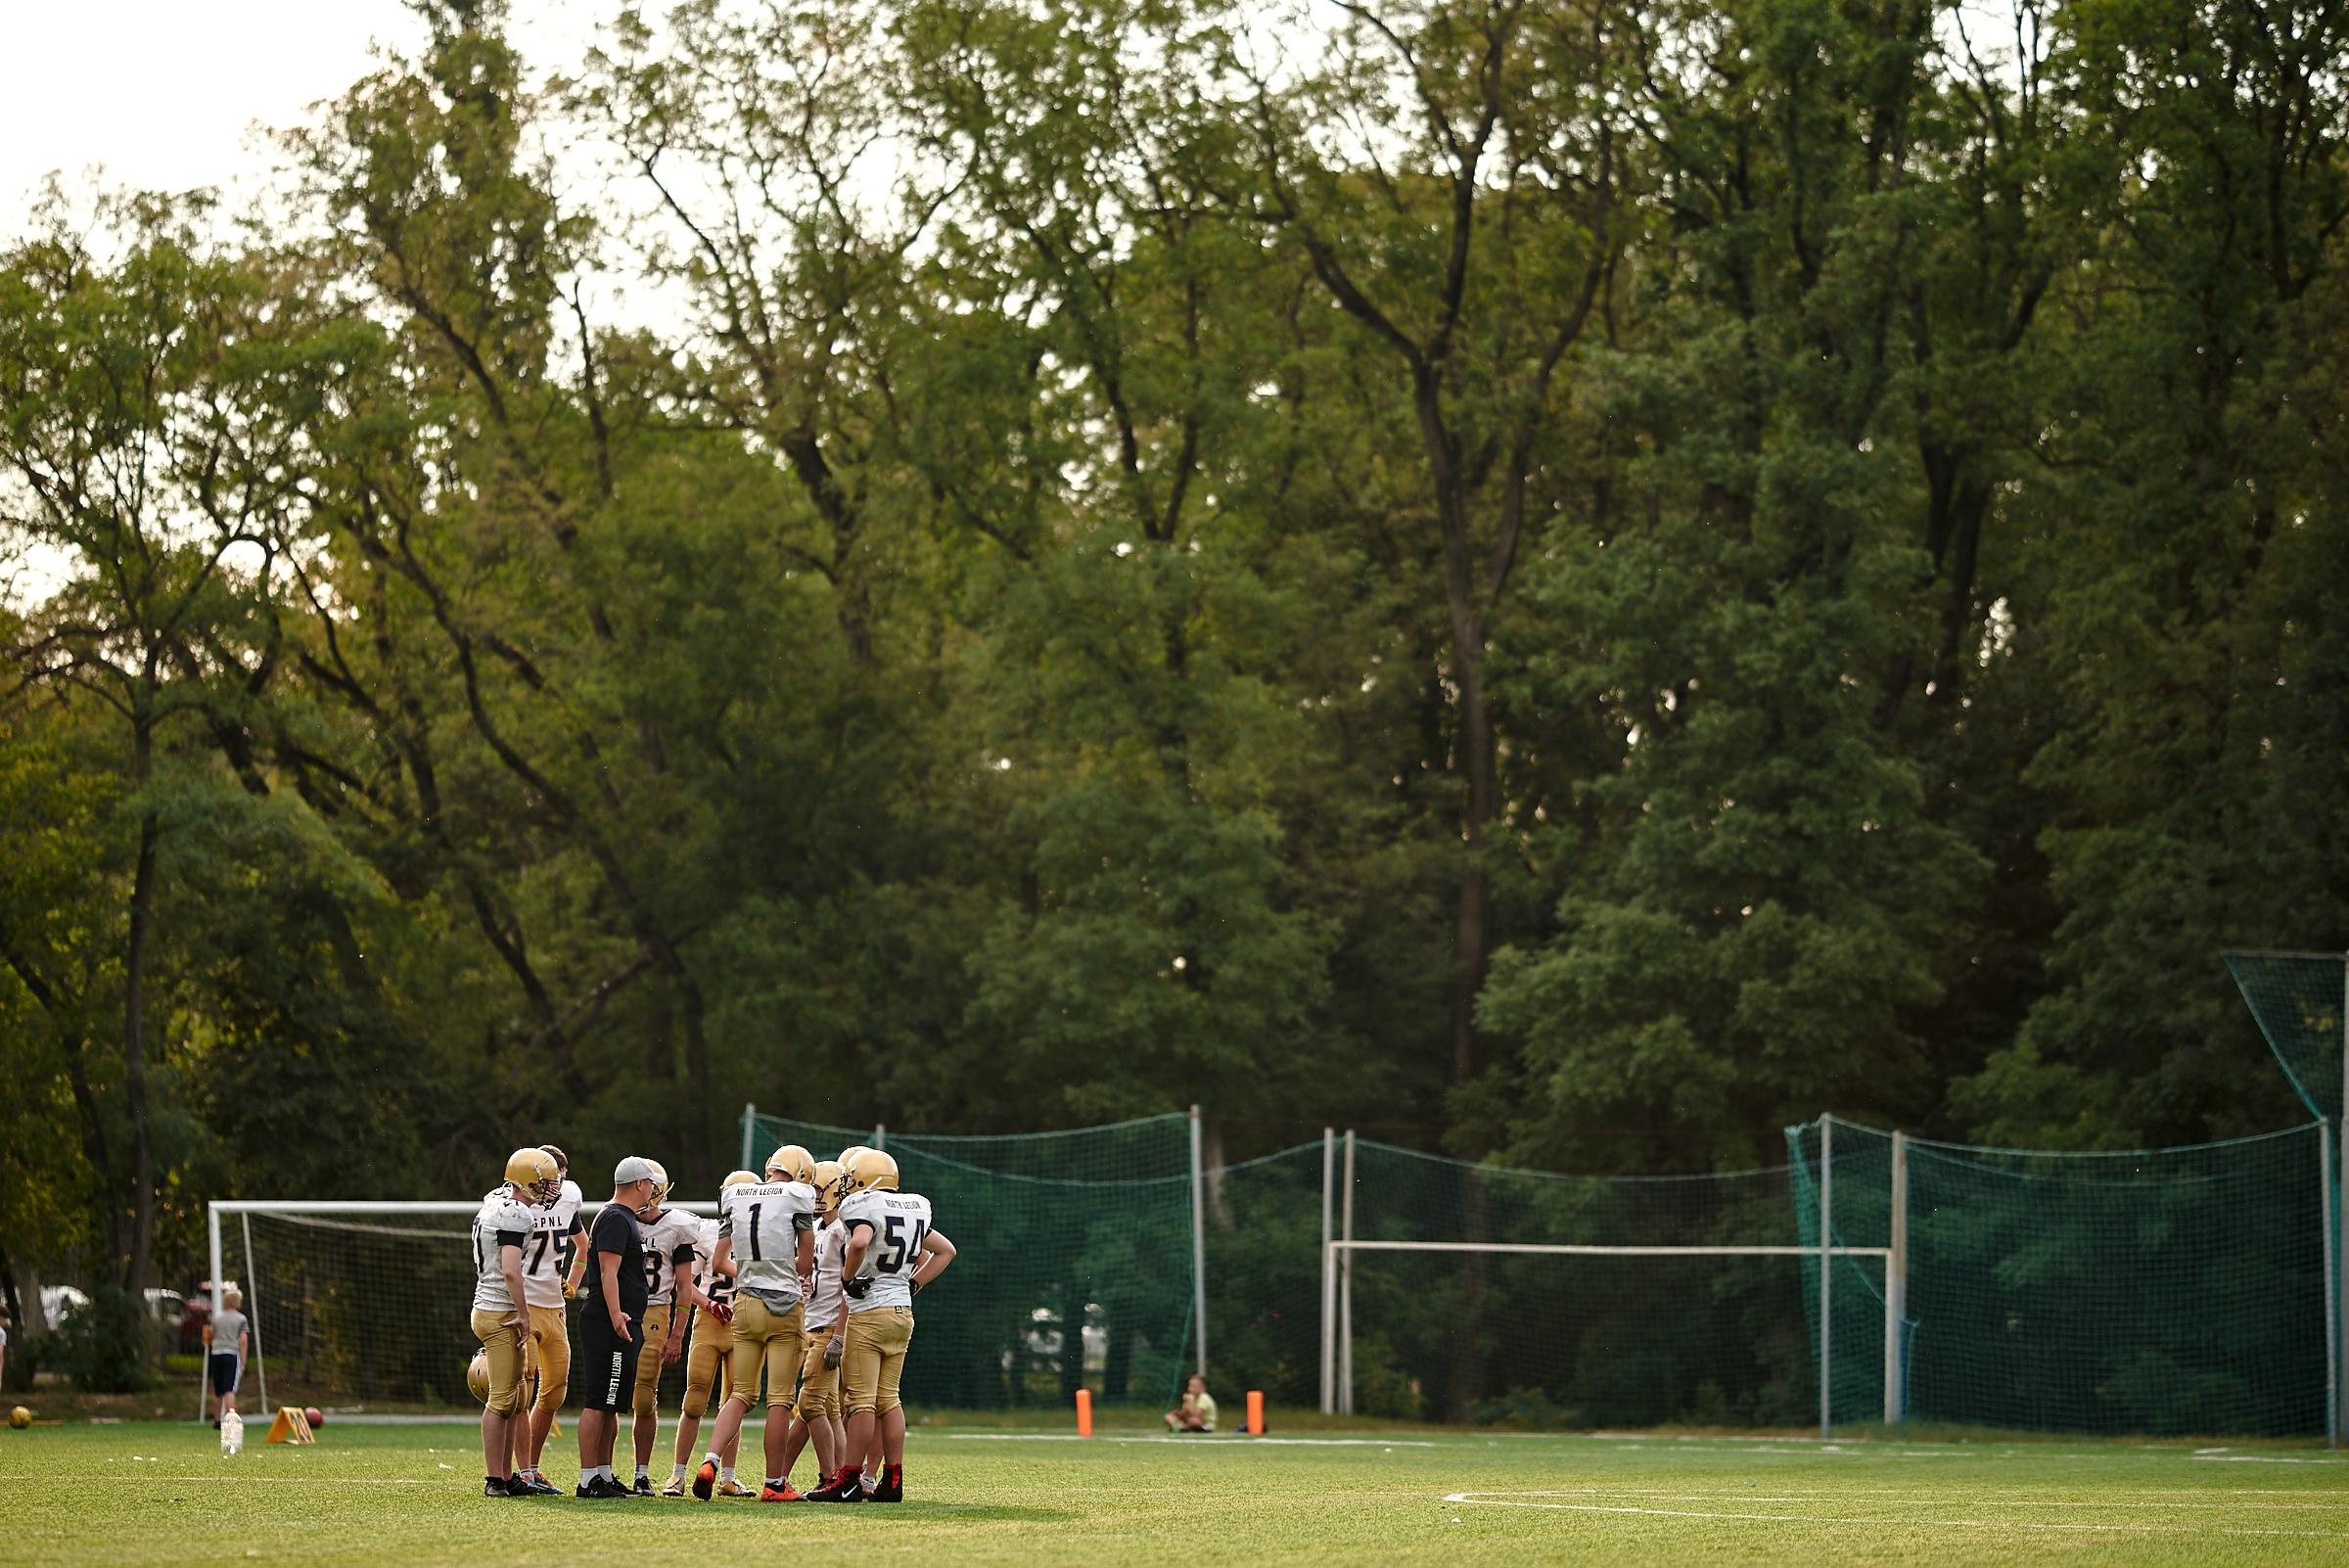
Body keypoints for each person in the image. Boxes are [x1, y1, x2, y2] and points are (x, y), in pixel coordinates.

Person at [807, 1147, 954, 1504]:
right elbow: (946, 1250)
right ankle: (893, 1479)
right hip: (902, 1313)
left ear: (862, 1179)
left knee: (860, 1403)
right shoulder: (915, 1206)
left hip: (869, 1312)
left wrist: (847, 1277)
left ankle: (849, 1480)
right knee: (890, 1399)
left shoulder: (861, 1207)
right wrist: (914, 1283)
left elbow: (858, 1241)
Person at [691, 1145, 817, 1502]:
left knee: (740, 1394)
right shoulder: (797, 1195)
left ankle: (710, 1462)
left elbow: (719, 1260)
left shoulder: (738, 1193)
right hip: (783, 1307)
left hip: (746, 1302)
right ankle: (775, 1483)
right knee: (778, 1399)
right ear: (802, 1174)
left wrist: (751, 1271)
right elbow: (804, 1263)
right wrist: (784, 1273)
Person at [474, 1147, 561, 1498]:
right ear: (530, 1181)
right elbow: (511, 1271)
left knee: (516, 1398)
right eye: (548, 1181)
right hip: (500, 1312)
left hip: (490, 1306)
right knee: (501, 1399)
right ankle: (496, 1479)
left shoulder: (497, 1200)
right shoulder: (515, 1215)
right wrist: (524, 1315)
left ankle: (508, 1475)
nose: (553, 1188)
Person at [575, 1157, 658, 1498]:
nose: (653, 1189)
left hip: (621, 1320)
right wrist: (616, 1315)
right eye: (650, 1182)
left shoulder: (623, 1218)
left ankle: (604, 1475)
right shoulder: (614, 1217)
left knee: (612, 1402)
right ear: (639, 1184)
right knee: (598, 1400)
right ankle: (586, 1479)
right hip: (609, 1322)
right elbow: (608, 1273)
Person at [664, 1176, 750, 1498]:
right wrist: (710, 1304)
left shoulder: (764, 1234)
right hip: (710, 1322)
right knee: (695, 1398)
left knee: (734, 1401)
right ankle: (678, 1474)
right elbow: (685, 1283)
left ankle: (727, 1477)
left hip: (745, 1324)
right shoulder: (707, 1231)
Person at [627, 1161, 708, 1495]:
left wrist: (677, 1334)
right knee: (609, 1396)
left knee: (644, 1398)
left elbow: (685, 1288)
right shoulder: (619, 1219)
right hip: (621, 1311)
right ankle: (599, 1472)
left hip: (656, 1313)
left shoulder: (677, 1227)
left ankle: (640, 1472)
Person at [514, 1143, 586, 1495]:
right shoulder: (513, 1204)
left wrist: (572, 1283)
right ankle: (520, 1472)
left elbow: (582, 1246)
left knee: (554, 1391)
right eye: (550, 1178)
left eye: (560, 1178)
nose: (556, 1185)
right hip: (523, 1306)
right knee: (519, 1391)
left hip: (554, 1307)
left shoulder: (569, 1198)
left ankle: (533, 1468)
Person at [774, 1157, 848, 1491]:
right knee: (827, 1409)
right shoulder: (817, 1228)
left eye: (819, 1189)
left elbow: (849, 1285)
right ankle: (843, 1477)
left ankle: (831, 1478)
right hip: (812, 1321)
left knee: (809, 1403)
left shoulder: (843, 1229)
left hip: (828, 1327)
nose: (814, 1195)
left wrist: (840, 1336)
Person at [203, 1287, 250, 1426]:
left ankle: (217, 1420)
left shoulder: (217, 1317)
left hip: (216, 1354)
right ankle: (231, 1419)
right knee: (229, 1389)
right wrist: (243, 1360)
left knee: (219, 1390)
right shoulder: (241, 1318)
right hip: (230, 1354)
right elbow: (243, 1340)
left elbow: (210, 1335)